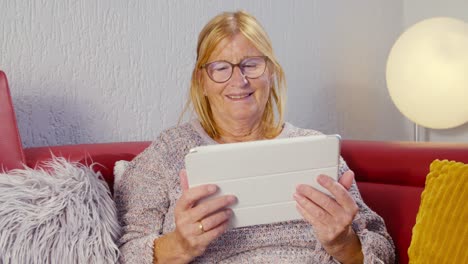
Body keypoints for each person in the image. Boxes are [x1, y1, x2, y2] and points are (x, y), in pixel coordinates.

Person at [115, 10, 395, 264]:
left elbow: (382, 248)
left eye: (251, 64)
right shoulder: (169, 151)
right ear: (202, 82)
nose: (239, 80)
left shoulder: (314, 148)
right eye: (221, 68)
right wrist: (180, 244)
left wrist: (343, 241)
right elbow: (124, 253)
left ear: (271, 72)